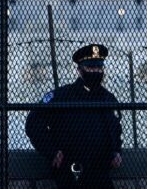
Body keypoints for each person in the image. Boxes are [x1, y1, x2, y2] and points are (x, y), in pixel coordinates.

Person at [26, 44, 122, 188]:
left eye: (99, 68)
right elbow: (33, 122)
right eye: (91, 68)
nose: (96, 72)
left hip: (100, 171)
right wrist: (51, 151)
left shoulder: (107, 98)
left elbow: (115, 128)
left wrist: (116, 152)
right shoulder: (62, 96)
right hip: (71, 171)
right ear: (80, 70)